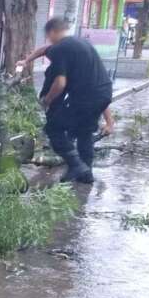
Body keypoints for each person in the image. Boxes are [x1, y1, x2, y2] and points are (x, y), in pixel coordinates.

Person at [20, 18, 114, 184]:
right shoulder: (80, 43)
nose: (49, 41)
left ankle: (76, 164)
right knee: (84, 133)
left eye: (48, 37)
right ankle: (86, 175)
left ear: (52, 32)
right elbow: (44, 50)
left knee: (53, 128)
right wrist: (26, 61)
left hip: (84, 99)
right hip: (103, 93)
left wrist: (47, 100)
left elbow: (60, 83)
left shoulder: (61, 49)